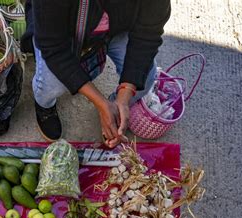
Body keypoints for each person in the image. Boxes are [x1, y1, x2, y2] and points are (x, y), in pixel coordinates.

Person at [21, 0, 171, 147]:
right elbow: (54, 48)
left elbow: (148, 34)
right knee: (52, 84)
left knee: (145, 79)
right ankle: (44, 106)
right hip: (62, 31)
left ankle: (113, 108)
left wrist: (123, 97)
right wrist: (99, 102)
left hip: (116, 28)